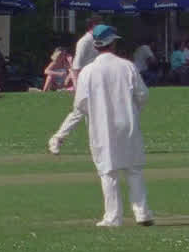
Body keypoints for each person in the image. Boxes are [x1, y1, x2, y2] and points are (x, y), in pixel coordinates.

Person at [53, 25, 153, 228]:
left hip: (102, 126)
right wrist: (133, 111)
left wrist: (97, 113)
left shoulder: (88, 71)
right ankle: (142, 213)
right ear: (113, 43)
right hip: (128, 123)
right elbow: (143, 95)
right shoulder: (127, 66)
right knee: (134, 169)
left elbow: (80, 103)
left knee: (108, 171)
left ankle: (113, 217)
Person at [47, 25, 106, 154]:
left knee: (90, 114)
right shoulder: (84, 42)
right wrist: (78, 87)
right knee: (79, 113)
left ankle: (96, 144)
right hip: (85, 84)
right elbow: (75, 67)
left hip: (94, 83)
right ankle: (57, 139)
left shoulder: (97, 42)